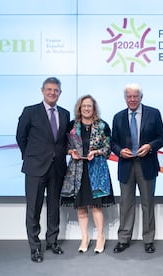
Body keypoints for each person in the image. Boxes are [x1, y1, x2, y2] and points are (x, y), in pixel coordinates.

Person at [16, 77, 70, 263]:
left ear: (60, 93)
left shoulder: (65, 113)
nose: (52, 93)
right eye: (49, 89)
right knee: (34, 209)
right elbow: (20, 137)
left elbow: (63, 141)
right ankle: (35, 247)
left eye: (56, 90)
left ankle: (52, 241)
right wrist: (31, 157)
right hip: (35, 167)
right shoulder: (30, 111)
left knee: (54, 207)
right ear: (42, 90)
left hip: (57, 168)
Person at [111, 83, 163, 254]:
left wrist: (150, 146)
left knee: (147, 203)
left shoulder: (154, 113)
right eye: (129, 96)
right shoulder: (118, 116)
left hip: (147, 164)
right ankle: (123, 239)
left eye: (136, 96)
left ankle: (148, 240)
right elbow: (113, 142)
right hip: (126, 165)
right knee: (126, 203)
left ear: (141, 97)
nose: (132, 99)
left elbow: (162, 138)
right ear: (125, 98)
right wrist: (120, 151)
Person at [61, 95, 115, 254]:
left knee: (96, 205)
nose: (86, 108)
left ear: (94, 108)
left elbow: (108, 148)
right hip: (77, 171)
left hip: (96, 170)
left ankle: (100, 236)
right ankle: (84, 237)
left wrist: (96, 151)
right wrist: (71, 152)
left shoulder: (102, 125)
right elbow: (64, 146)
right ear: (79, 107)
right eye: (84, 106)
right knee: (81, 206)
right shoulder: (72, 126)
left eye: (89, 106)